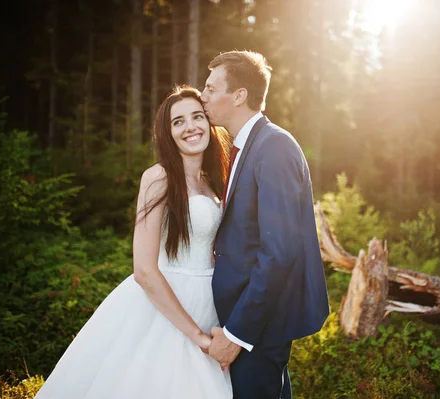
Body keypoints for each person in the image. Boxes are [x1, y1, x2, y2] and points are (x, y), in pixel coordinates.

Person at [35, 86, 233, 399]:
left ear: (209, 123)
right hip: (168, 305)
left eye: (197, 116)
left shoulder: (213, 180)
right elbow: (143, 269)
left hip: (208, 303)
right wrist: (197, 336)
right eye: (178, 121)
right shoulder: (159, 177)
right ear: (166, 133)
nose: (191, 126)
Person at [202, 50, 330, 399]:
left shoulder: (274, 147)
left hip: (259, 327)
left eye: (212, 88)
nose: (204, 95)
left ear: (239, 95)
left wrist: (237, 335)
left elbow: (279, 252)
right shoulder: (247, 146)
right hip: (246, 318)